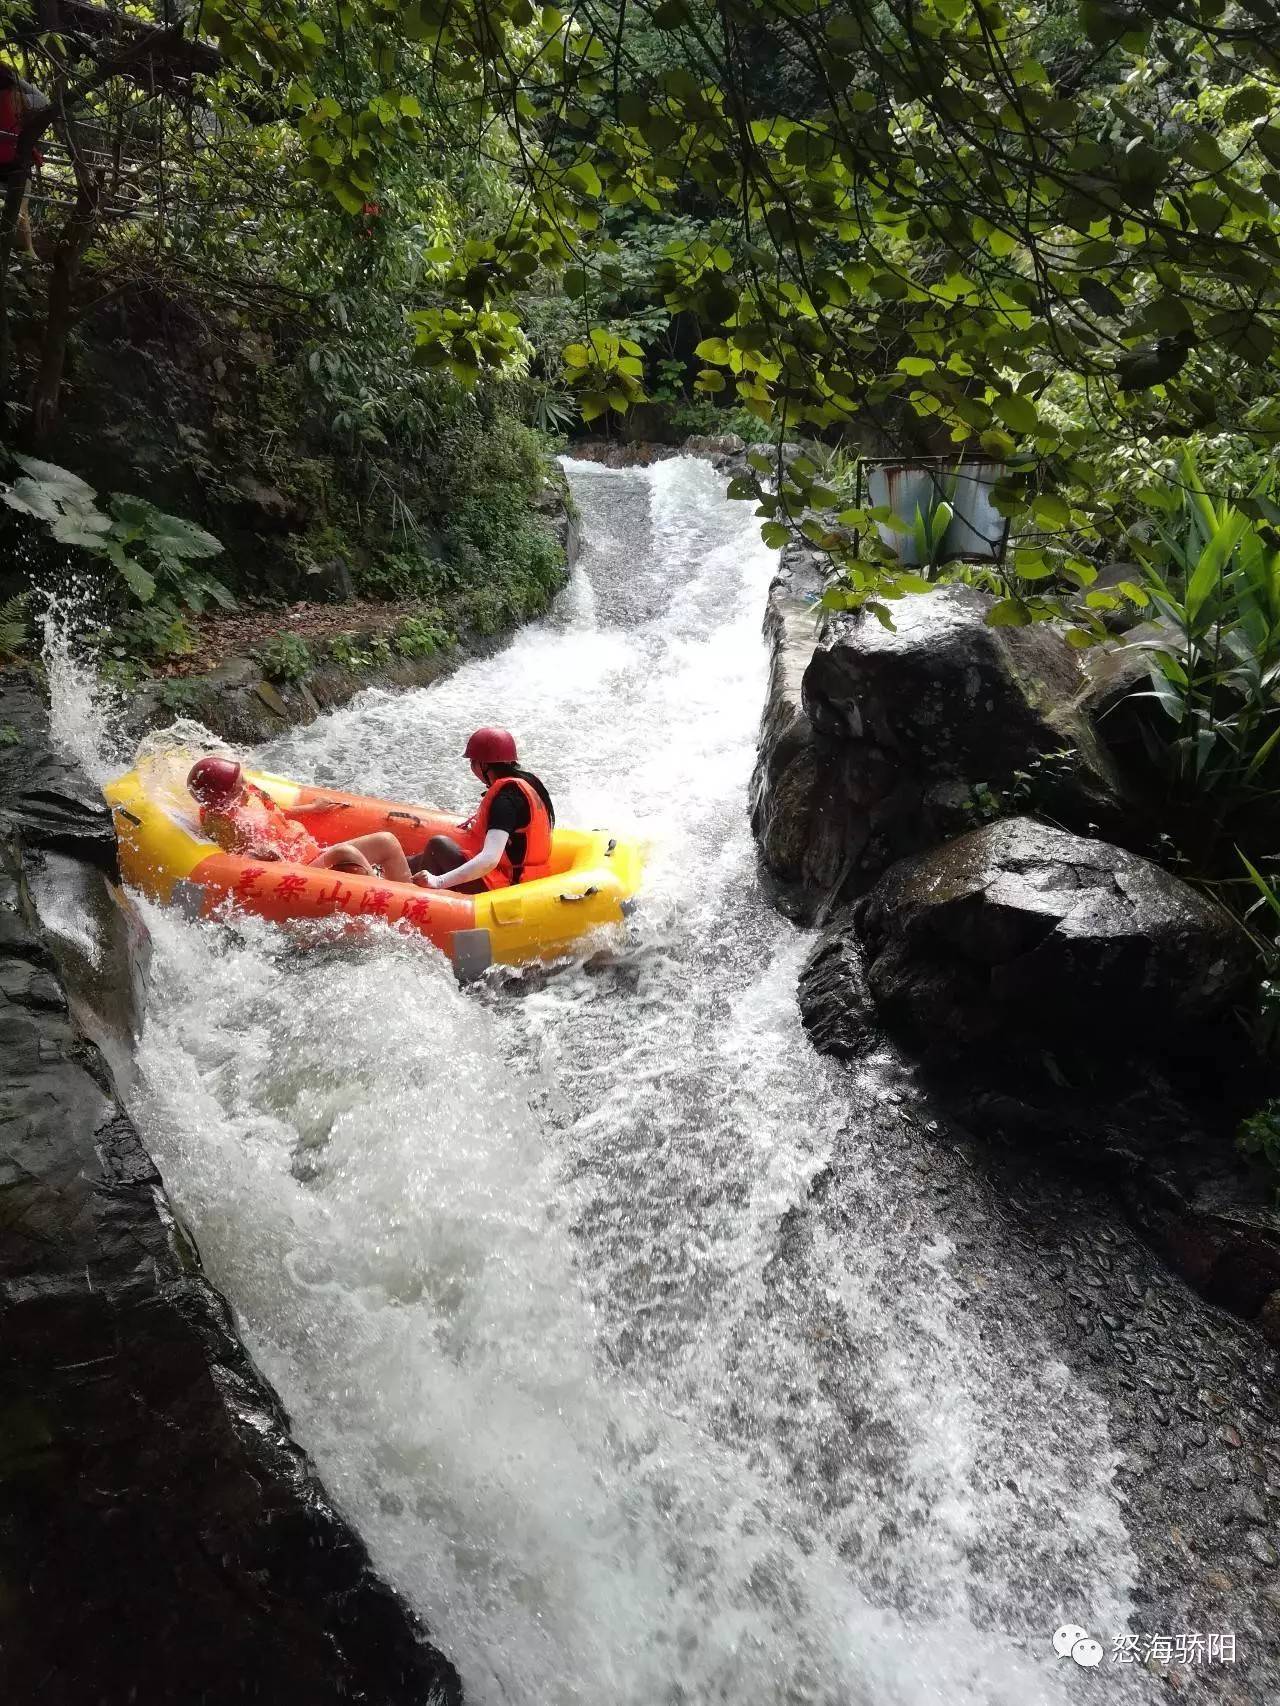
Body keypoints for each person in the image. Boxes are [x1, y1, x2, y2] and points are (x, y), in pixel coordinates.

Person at [187, 757, 415, 883]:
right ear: (223, 798)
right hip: (298, 869)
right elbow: (238, 861)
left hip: (309, 852)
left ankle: (410, 892)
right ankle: (388, 895)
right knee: (345, 853)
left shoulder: (247, 798)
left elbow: (276, 813)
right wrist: (259, 856)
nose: (246, 786)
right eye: (239, 786)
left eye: (243, 779)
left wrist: (312, 807)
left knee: (387, 840)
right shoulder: (225, 823)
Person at [411, 727, 555, 892]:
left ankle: (410, 893)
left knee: (438, 846)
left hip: (508, 888)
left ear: (484, 765)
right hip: (527, 880)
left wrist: (438, 881)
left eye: (472, 762)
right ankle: (388, 873)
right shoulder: (529, 782)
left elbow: (490, 859)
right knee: (424, 857)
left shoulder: (505, 800)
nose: (472, 768)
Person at [0, 65, 49, 259]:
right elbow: (44, 100)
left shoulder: (16, 99)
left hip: (12, 159)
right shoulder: (19, 99)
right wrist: (18, 80)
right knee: (20, 209)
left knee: (19, 208)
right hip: (18, 158)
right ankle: (28, 253)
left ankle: (16, 251)